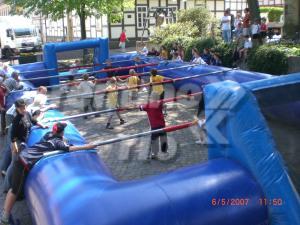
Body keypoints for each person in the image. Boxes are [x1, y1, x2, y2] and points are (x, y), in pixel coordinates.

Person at [0, 122, 96, 225]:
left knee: (14, 188)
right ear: (62, 133)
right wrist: (88, 146)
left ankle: (5, 215)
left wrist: (62, 139)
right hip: (24, 162)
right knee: (15, 190)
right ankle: (4, 219)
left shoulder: (48, 135)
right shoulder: (57, 142)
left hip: (22, 156)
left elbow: (56, 140)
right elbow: (70, 148)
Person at [139, 94, 168, 160]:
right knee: (163, 138)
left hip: (154, 126)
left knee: (154, 140)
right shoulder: (159, 103)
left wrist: (139, 105)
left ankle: (154, 154)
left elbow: (140, 107)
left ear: (151, 99)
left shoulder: (147, 106)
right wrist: (165, 112)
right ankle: (164, 152)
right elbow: (165, 105)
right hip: (162, 125)